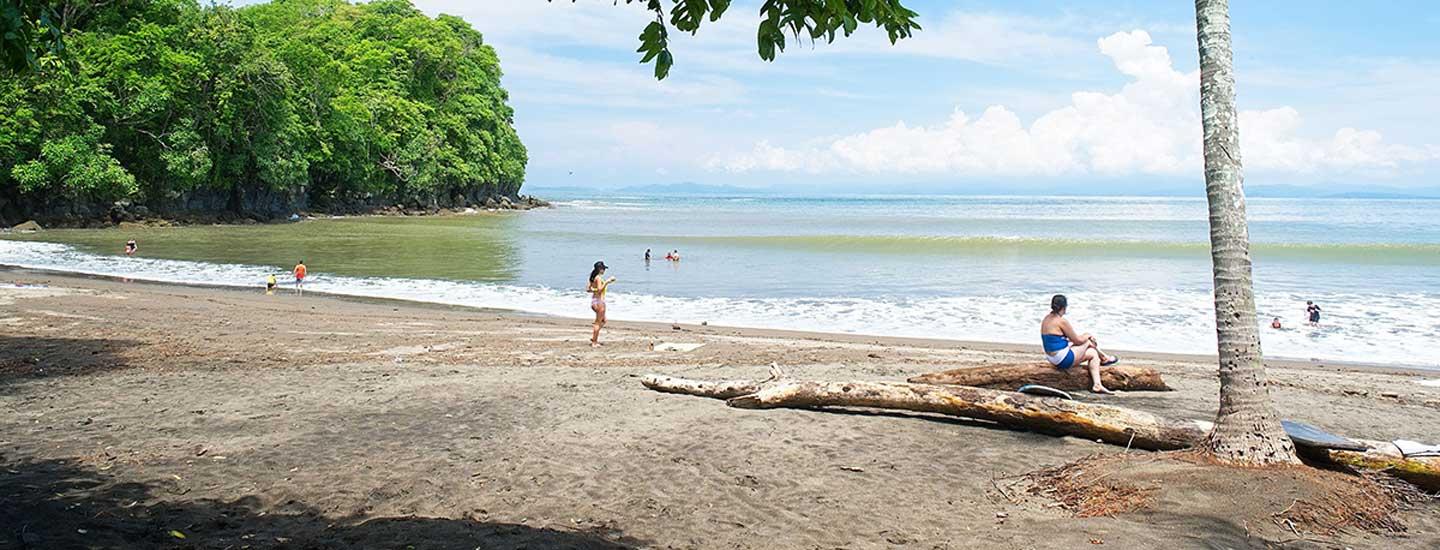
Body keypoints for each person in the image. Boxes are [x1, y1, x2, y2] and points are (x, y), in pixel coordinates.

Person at [1040, 294, 1120, 394]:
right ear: (1064, 308)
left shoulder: (1046, 318)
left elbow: (1056, 339)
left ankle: (1097, 384)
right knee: (1088, 341)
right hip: (1062, 359)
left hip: (1052, 357)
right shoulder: (1061, 321)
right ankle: (1104, 358)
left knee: (1093, 353)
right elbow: (1078, 340)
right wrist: (1087, 334)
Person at [587, 261, 616, 347]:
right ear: (600, 269)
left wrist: (594, 289)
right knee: (598, 322)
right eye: (603, 269)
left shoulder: (592, 277)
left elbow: (588, 289)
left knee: (603, 321)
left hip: (594, 301)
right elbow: (600, 290)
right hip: (599, 302)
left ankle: (594, 337)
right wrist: (607, 282)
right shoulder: (598, 278)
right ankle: (594, 342)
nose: (604, 271)